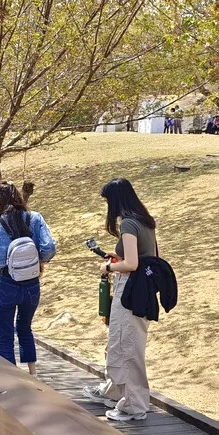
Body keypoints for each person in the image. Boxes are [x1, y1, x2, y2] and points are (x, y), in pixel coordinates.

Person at [82, 178, 158, 421]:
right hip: (141, 290)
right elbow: (149, 256)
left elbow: (132, 264)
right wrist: (117, 255)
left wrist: (108, 267)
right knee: (121, 342)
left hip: (130, 291)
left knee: (128, 346)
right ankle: (115, 391)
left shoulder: (128, 223)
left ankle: (134, 407)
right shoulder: (144, 220)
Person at [0, 182, 56, 376]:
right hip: (32, 284)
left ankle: (12, 379)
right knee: (25, 329)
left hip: (7, 283)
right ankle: (33, 374)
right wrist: (40, 261)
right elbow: (49, 247)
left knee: (5, 335)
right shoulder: (34, 218)